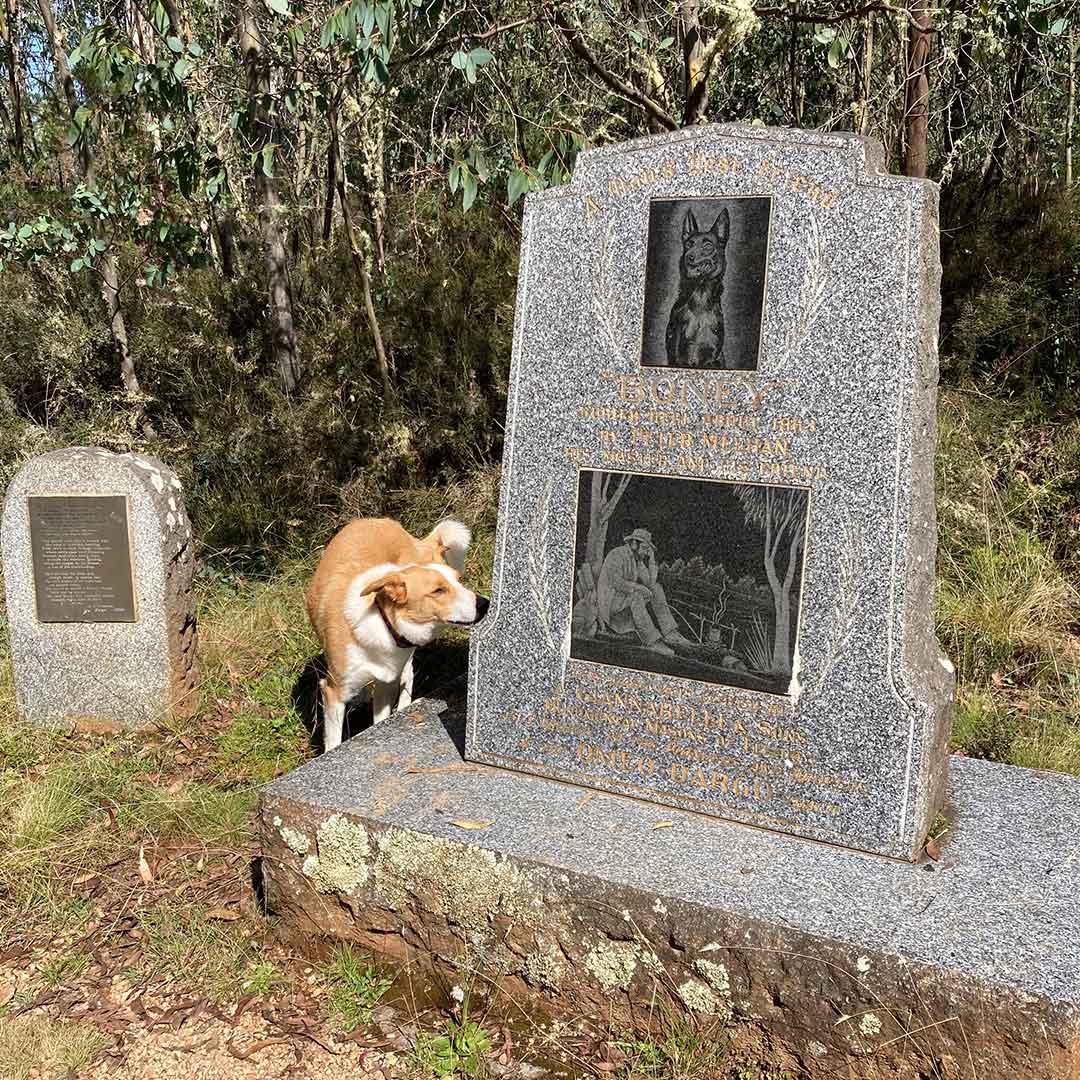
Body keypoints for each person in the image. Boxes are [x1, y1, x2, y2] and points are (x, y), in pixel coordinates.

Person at [596, 528, 692, 656]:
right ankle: (652, 641)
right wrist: (638, 588)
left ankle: (670, 633)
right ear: (634, 544)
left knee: (657, 588)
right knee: (636, 596)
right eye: (645, 548)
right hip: (610, 606)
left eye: (648, 550)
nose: (646, 553)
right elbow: (616, 582)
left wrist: (652, 560)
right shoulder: (617, 554)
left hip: (624, 602)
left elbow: (650, 583)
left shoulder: (637, 560)